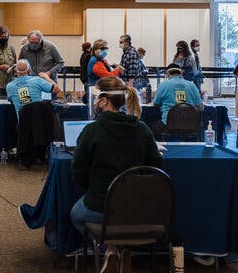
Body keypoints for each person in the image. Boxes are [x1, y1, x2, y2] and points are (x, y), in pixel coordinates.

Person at [70, 76, 162, 273]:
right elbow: (156, 168)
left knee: (76, 215)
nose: (94, 101)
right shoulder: (142, 129)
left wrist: (94, 190)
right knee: (125, 216)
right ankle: (122, 250)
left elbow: (78, 172)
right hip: (138, 206)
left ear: (103, 101)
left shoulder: (91, 130)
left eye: (96, 97)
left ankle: (109, 249)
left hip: (100, 206)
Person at [152, 64, 203, 138]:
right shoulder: (192, 85)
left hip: (168, 124)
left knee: (150, 125)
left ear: (168, 73)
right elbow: (201, 108)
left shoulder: (163, 85)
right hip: (190, 124)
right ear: (181, 73)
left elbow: (155, 104)